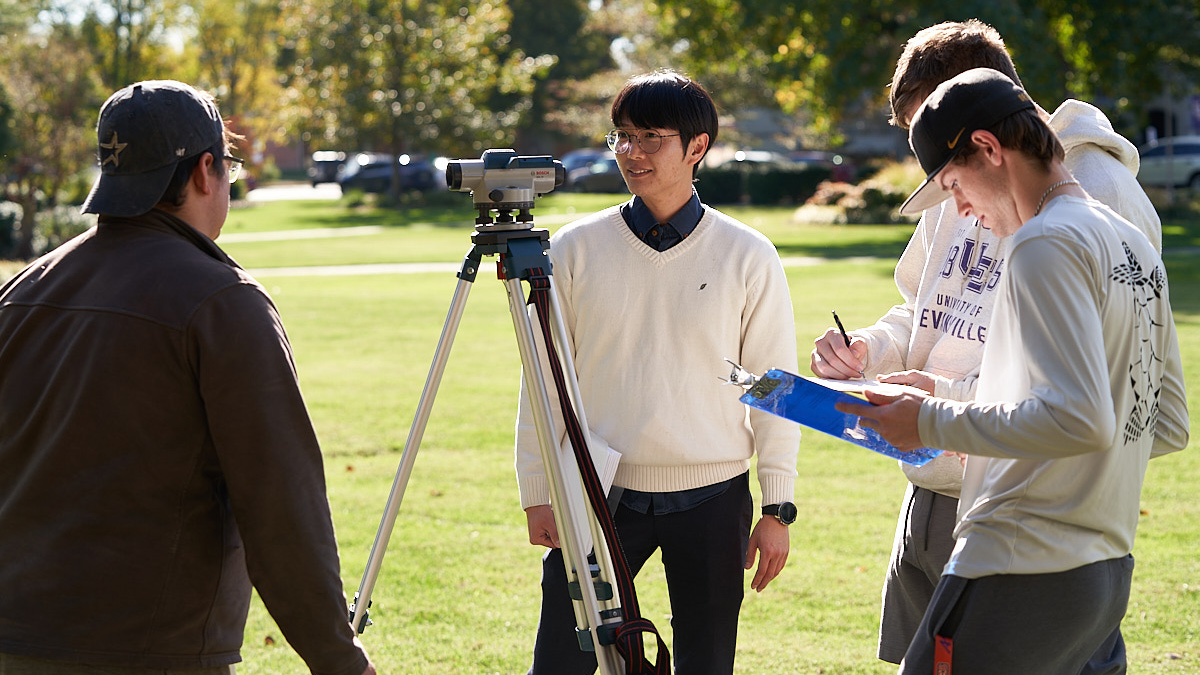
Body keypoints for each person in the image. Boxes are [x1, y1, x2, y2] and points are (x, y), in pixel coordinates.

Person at [808, 19, 1166, 667]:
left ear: (987, 145)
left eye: (951, 185)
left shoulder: (1044, 239)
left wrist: (932, 416)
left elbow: (1079, 416)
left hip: (1022, 553)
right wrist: (941, 389)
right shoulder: (1130, 242)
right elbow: (1158, 418)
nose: (962, 212)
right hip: (1099, 560)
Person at [0, 80, 374, 675]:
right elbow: (280, 508)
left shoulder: (23, 289)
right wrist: (339, 659)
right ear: (206, 171)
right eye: (227, 163)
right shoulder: (223, 300)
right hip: (145, 650)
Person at [514, 70, 801, 674]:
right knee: (560, 661)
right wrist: (539, 493)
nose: (630, 152)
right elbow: (542, 378)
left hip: (715, 496)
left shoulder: (749, 254)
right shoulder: (573, 248)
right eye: (621, 135)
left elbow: (774, 386)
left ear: (697, 147)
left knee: (705, 661)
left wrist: (777, 507)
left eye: (650, 137)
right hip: (596, 493)